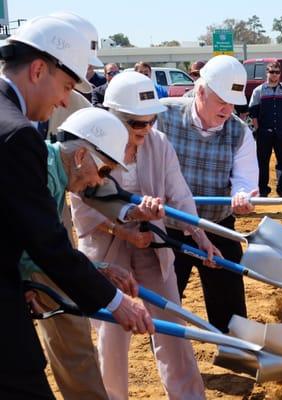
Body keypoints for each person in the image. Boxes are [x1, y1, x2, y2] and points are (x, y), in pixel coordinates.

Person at [0, 16, 153, 398]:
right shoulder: (17, 134)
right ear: (38, 69)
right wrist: (116, 303)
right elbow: (44, 244)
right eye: (66, 85)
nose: (65, 101)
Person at [71, 71, 216, 399]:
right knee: (112, 333)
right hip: (106, 245)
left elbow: (179, 192)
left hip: (151, 240)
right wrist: (124, 231)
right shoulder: (90, 148)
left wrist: (200, 236)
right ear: (114, 117)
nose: (146, 129)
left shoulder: (158, 143)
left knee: (172, 324)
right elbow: (84, 210)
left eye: (150, 121)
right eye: (137, 124)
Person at [20, 107, 149, 400]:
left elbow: (42, 249)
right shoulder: (37, 174)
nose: (100, 181)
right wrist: (115, 300)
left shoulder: (50, 172)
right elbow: (43, 252)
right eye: (103, 171)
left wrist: (98, 267)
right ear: (80, 156)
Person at [157, 55, 259, 333]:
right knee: (164, 300)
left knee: (229, 301)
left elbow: (244, 178)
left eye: (233, 103)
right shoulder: (163, 117)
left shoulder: (239, 132)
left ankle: (234, 349)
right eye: (221, 102)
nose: (227, 110)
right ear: (200, 91)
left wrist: (242, 196)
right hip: (170, 226)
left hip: (216, 224)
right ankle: (170, 355)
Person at [249, 61, 282, 197]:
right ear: (267, 72)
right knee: (262, 162)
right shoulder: (258, 91)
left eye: (277, 72)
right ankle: (262, 190)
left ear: (280, 74)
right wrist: (258, 129)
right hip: (264, 132)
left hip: (281, 132)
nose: (274, 75)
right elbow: (253, 112)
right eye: (271, 72)